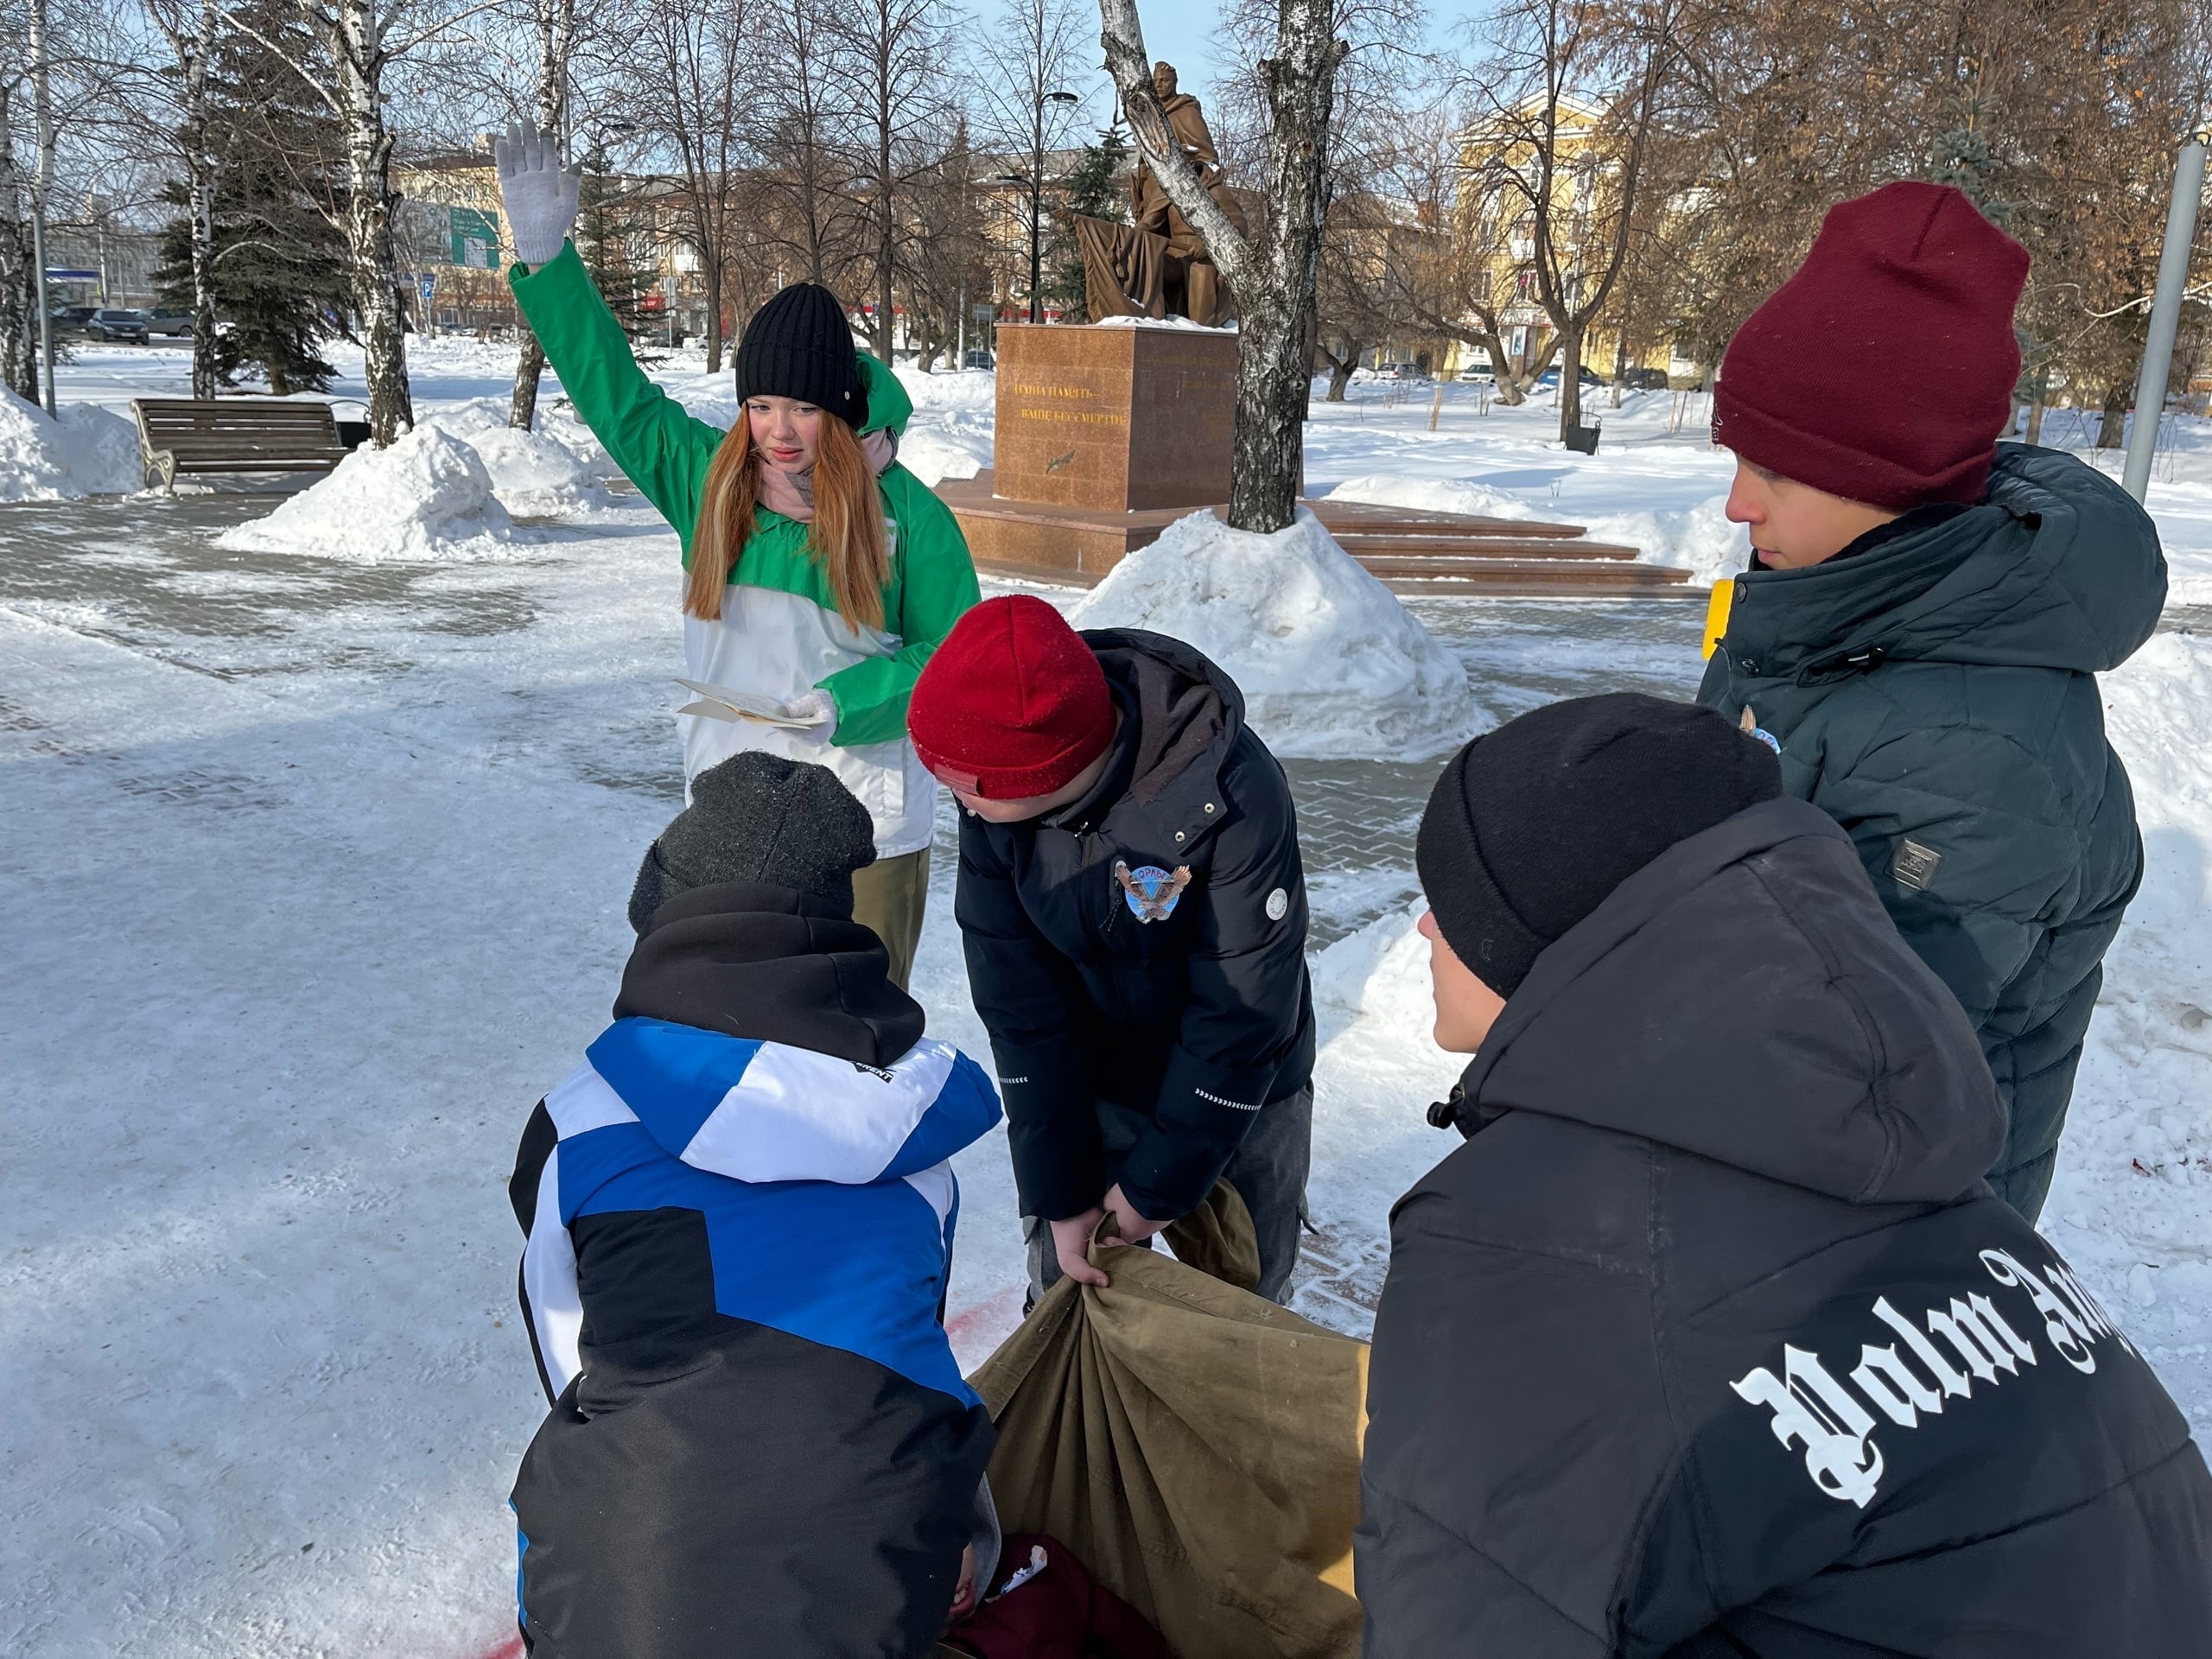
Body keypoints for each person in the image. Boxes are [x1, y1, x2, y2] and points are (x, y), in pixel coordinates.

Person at [1356, 693, 2212, 1657]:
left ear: (1542, 938)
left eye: (1458, 901)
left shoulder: (1530, 1234)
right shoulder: (1903, 1144)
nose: (1425, 926)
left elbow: (1465, 1624)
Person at [1698, 179, 2165, 1219]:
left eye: (1773, 467)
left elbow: (1861, 1074)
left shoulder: (1973, 750)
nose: (1738, 502)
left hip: (1881, 1238)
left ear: (1885, 479)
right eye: (1737, 456)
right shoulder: (1811, 608)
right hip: (1766, 1181)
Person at [508, 752, 1001, 1657]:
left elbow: (567, 1349)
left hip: (627, 1582)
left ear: (665, 921)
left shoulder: (582, 1118)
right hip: (879, 1582)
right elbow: (910, 1362)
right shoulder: (913, 1143)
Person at [493, 120, 981, 988]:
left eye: (799, 409)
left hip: (863, 823)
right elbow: (622, 400)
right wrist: (547, 262)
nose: (777, 433)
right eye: (759, 405)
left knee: (848, 1044)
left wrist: (843, 703)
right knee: (724, 1032)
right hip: (731, 815)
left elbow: (956, 663)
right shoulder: (709, 483)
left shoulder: (911, 518)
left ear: (838, 408)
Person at [906, 594, 1315, 1305]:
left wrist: (1154, 1191)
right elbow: (1023, 1011)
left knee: (1247, 1294)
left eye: (968, 788)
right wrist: (1062, 1196)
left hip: (1246, 1084)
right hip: (1096, 1079)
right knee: (1070, 1293)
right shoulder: (995, 806)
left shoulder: (1235, 793)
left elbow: (1242, 1009)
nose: (959, 804)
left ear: (1042, 773)